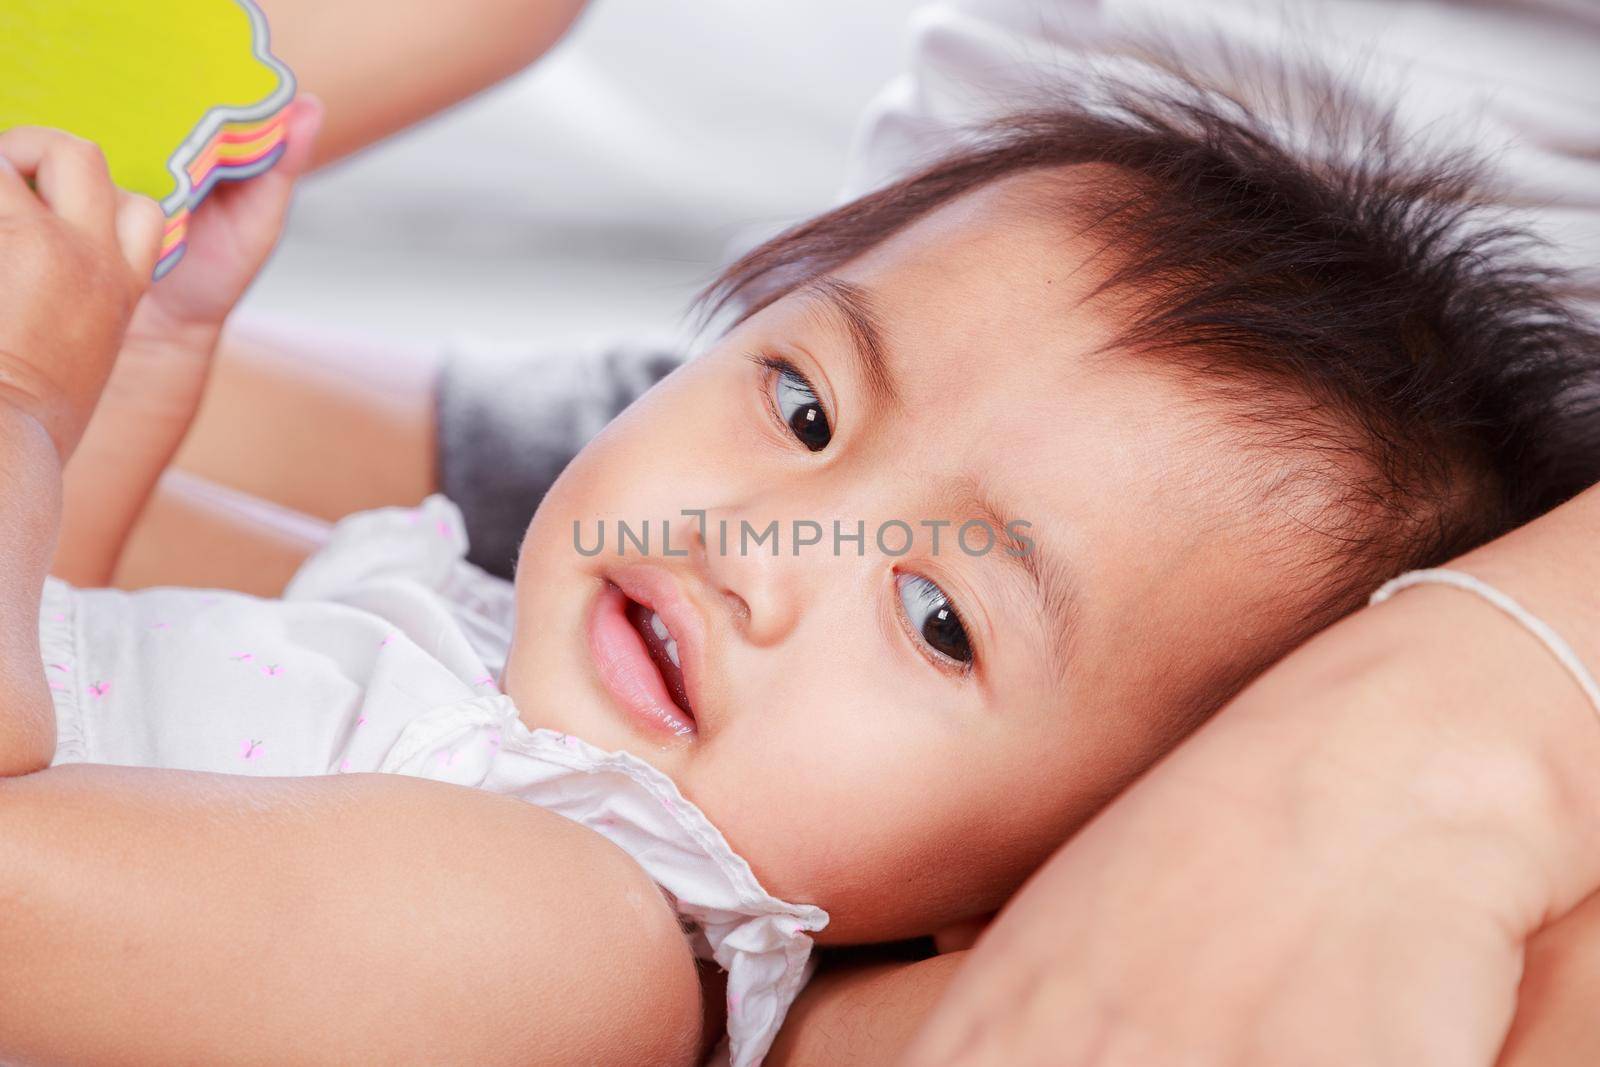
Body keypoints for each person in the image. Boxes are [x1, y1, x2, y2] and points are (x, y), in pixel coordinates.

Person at [7, 13, 1600, 1057]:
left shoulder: (562, 942)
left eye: (937, 619)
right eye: (808, 411)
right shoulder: (470, 655)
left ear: (1041, 886)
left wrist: (24, 400)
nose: (766, 550)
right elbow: (80, 678)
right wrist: (139, 378)